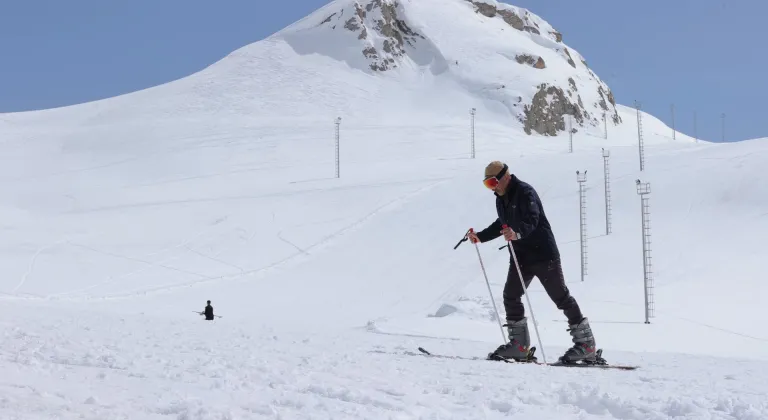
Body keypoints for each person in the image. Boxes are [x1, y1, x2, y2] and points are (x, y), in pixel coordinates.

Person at [467, 161, 596, 363]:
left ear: (505, 177)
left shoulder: (526, 192)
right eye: (487, 185)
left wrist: (517, 233)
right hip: (521, 257)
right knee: (511, 296)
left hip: (543, 254)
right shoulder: (500, 200)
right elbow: (501, 223)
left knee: (561, 297)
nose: (492, 188)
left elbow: (532, 219)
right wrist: (480, 237)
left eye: (492, 182)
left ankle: (586, 344)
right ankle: (519, 346)